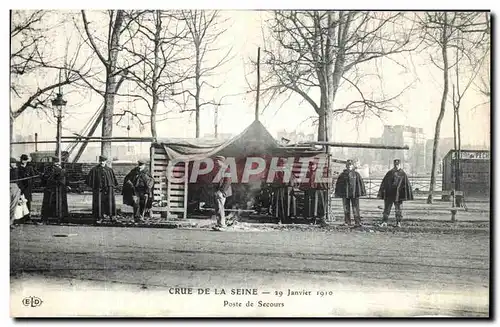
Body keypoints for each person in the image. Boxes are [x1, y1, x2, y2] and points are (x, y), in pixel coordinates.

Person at [377, 159, 414, 228]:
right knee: (387, 209)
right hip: (389, 194)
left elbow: (405, 185)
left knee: (398, 209)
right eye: (395, 165)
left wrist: (403, 194)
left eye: (398, 165)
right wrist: (383, 192)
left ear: (400, 165)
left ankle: (398, 222)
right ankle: (384, 222)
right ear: (394, 165)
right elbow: (384, 183)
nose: (396, 166)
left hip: (398, 195)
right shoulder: (389, 173)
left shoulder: (403, 174)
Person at [86, 155, 118, 224]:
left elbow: (113, 180)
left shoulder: (109, 169)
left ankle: (112, 217)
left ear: (105, 161)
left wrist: (112, 186)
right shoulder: (94, 170)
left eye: (103, 161)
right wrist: (94, 186)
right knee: (99, 203)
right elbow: (89, 180)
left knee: (110, 202)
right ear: (99, 161)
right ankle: (99, 217)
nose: (102, 162)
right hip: (99, 189)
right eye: (101, 161)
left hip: (108, 189)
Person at [334, 160, 366, 227]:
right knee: (346, 208)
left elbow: (360, 184)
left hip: (354, 194)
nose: (349, 166)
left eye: (350, 165)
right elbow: (339, 184)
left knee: (355, 208)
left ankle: (357, 222)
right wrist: (337, 192)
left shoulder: (356, 174)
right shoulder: (342, 175)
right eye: (348, 165)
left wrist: (361, 192)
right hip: (345, 194)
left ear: (353, 166)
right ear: (346, 166)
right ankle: (347, 221)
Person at [41, 157, 69, 224]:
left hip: (51, 189)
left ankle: (47, 218)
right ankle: (60, 218)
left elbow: (45, 179)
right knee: (59, 204)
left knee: (49, 203)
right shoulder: (61, 170)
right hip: (57, 190)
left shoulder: (48, 169)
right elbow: (63, 179)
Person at [212, 156, 232, 231]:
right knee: (218, 208)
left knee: (220, 208)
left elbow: (228, 181)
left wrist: (221, 191)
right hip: (219, 192)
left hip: (221, 192)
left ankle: (222, 225)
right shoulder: (221, 170)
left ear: (221, 161)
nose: (215, 163)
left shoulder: (226, 170)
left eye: (217, 161)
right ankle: (219, 224)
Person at [17, 154, 37, 221]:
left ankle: (27, 216)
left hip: (28, 187)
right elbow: (18, 177)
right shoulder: (19, 168)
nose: (24, 161)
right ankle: (21, 216)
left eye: (25, 160)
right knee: (21, 201)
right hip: (21, 187)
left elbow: (33, 177)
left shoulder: (30, 167)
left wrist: (31, 185)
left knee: (27, 201)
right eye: (23, 160)